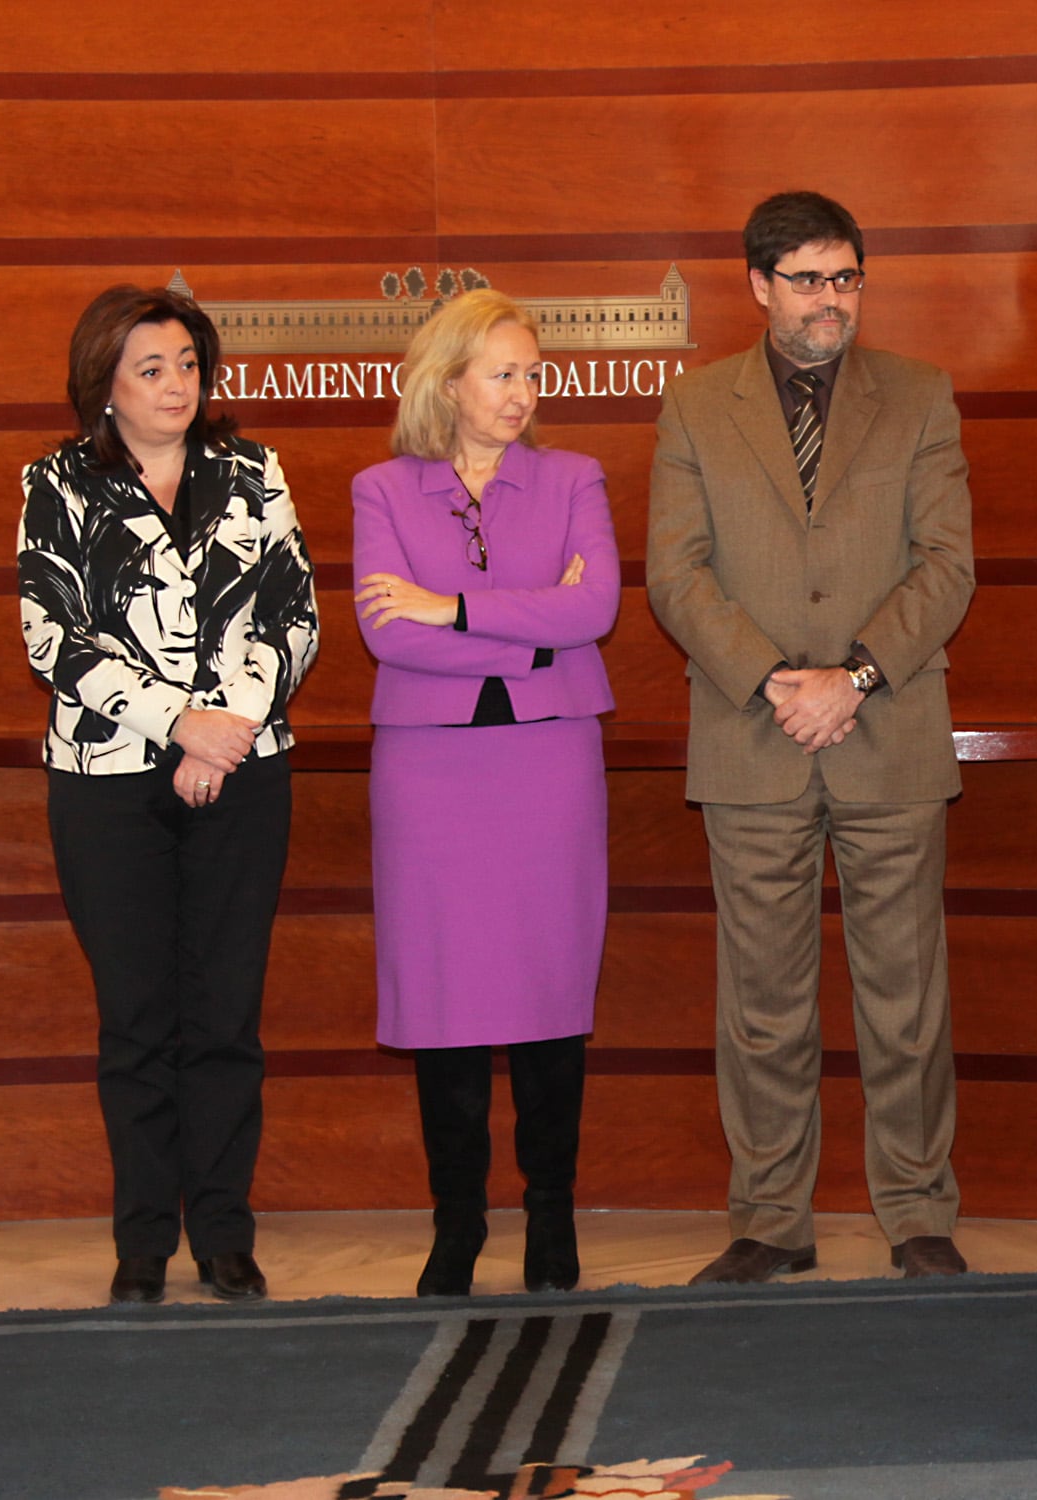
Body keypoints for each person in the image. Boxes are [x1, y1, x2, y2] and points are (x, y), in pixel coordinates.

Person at [647, 191, 976, 1282]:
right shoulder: (697, 408)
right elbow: (675, 573)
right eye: (807, 280)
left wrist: (858, 677)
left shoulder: (920, 397)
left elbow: (947, 565)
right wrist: (775, 680)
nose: (829, 300)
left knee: (905, 997)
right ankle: (768, 1221)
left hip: (887, 733)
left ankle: (920, 1213)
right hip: (752, 735)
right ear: (757, 287)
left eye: (845, 278)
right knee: (763, 1005)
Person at [18, 284, 319, 1305]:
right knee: (138, 1018)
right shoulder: (56, 484)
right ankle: (143, 1241)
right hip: (106, 787)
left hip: (241, 776)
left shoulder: (250, 472)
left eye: (187, 363)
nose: (176, 384)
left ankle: (224, 1234)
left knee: (225, 1015)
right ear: (103, 384)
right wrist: (174, 722)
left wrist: (220, 732)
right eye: (151, 368)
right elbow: (54, 636)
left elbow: (293, 616)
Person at [353, 289, 619, 1297]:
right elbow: (388, 631)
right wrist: (530, 620)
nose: (523, 393)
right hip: (431, 771)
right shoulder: (382, 489)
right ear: (449, 381)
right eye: (503, 374)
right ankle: (456, 1226)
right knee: (443, 996)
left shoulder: (572, 476)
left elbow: (592, 607)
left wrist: (454, 605)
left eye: (531, 374)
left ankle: (551, 1219)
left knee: (550, 989)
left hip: (548, 762)